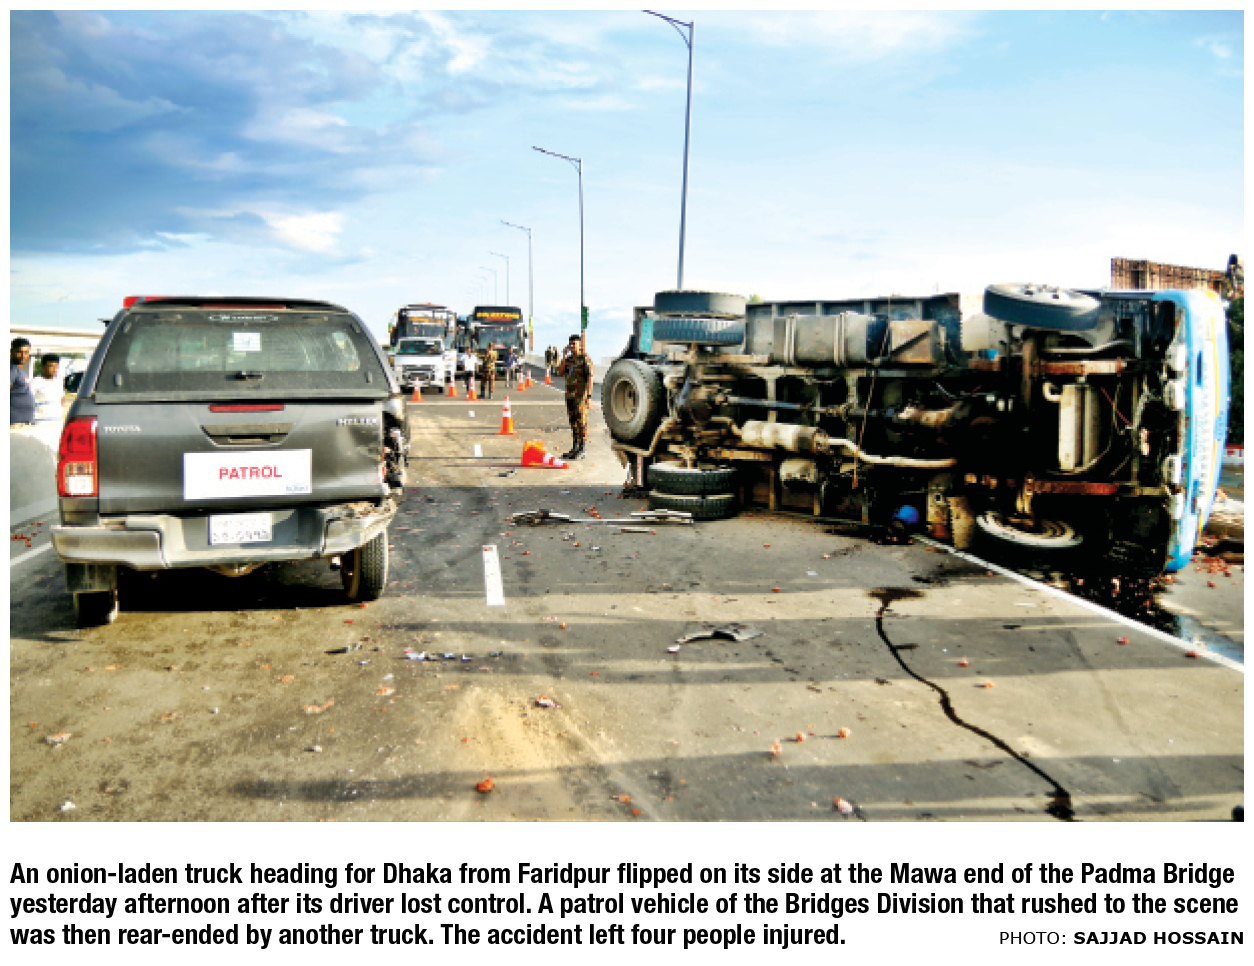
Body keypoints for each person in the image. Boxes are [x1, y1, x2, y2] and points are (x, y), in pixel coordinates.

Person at [556, 333, 593, 459]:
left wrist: (589, 396)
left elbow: (590, 377)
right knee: (573, 423)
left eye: (574, 344)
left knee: (581, 423)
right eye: (570, 344)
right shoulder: (569, 360)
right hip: (570, 396)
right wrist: (563, 356)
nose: (572, 346)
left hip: (580, 397)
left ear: (579, 344)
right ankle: (575, 448)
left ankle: (582, 449)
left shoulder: (584, 359)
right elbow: (560, 373)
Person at [31, 353, 64, 423]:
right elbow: (28, 402)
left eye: (56, 366)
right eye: (51, 366)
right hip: (40, 423)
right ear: (42, 367)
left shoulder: (59, 382)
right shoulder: (35, 382)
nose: (54, 369)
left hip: (56, 422)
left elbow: (62, 400)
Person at [10, 338, 35, 425]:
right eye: (19, 352)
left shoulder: (20, 371)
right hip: (15, 423)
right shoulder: (11, 370)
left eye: (26, 352)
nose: (23, 356)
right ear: (11, 352)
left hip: (23, 423)